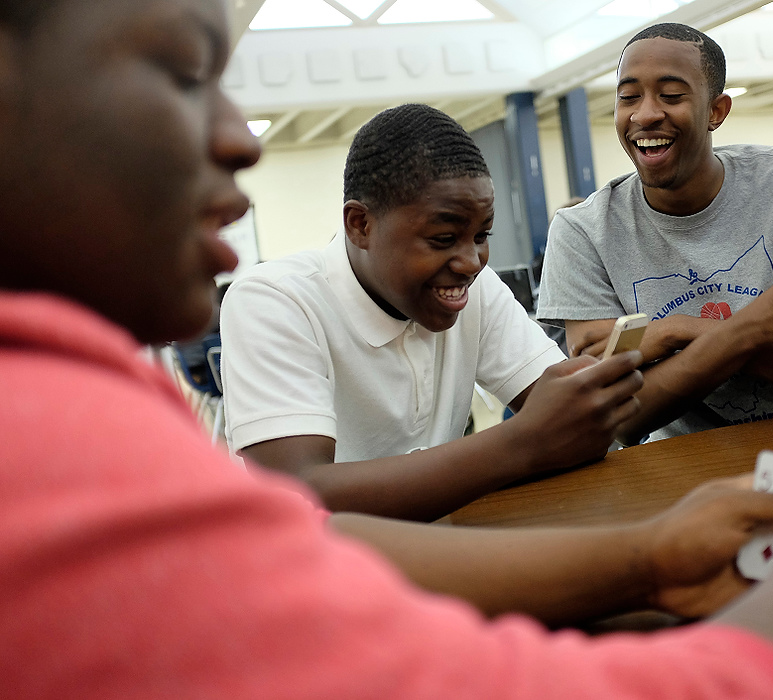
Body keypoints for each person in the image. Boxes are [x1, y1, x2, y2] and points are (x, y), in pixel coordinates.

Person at [2, 1, 773, 698]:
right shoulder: (56, 439)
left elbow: (294, 536)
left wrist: (644, 551)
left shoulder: (99, 387)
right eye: (180, 71)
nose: (240, 138)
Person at [220, 104, 642, 522]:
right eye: (443, 238)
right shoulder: (274, 299)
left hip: (445, 545)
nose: (472, 261)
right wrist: (523, 441)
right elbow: (296, 495)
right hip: (322, 576)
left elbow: (574, 424)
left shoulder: (471, 289)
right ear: (360, 225)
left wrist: (581, 410)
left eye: (481, 235)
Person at [537, 23, 773, 444]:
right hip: (668, 483)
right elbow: (616, 416)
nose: (645, 113)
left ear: (716, 111)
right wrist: (755, 324)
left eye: (671, 95)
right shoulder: (581, 231)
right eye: (628, 97)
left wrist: (668, 337)